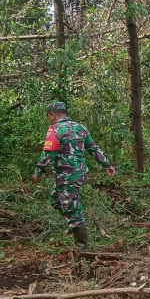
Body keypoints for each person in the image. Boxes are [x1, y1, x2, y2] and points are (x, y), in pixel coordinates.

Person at [32, 101, 115, 251]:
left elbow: (48, 154)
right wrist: (107, 164)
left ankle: (83, 249)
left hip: (67, 175)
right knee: (55, 196)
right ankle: (72, 224)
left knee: (73, 210)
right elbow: (93, 149)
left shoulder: (55, 130)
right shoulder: (80, 127)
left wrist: (38, 172)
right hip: (81, 173)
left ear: (52, 114)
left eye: (48, 116)